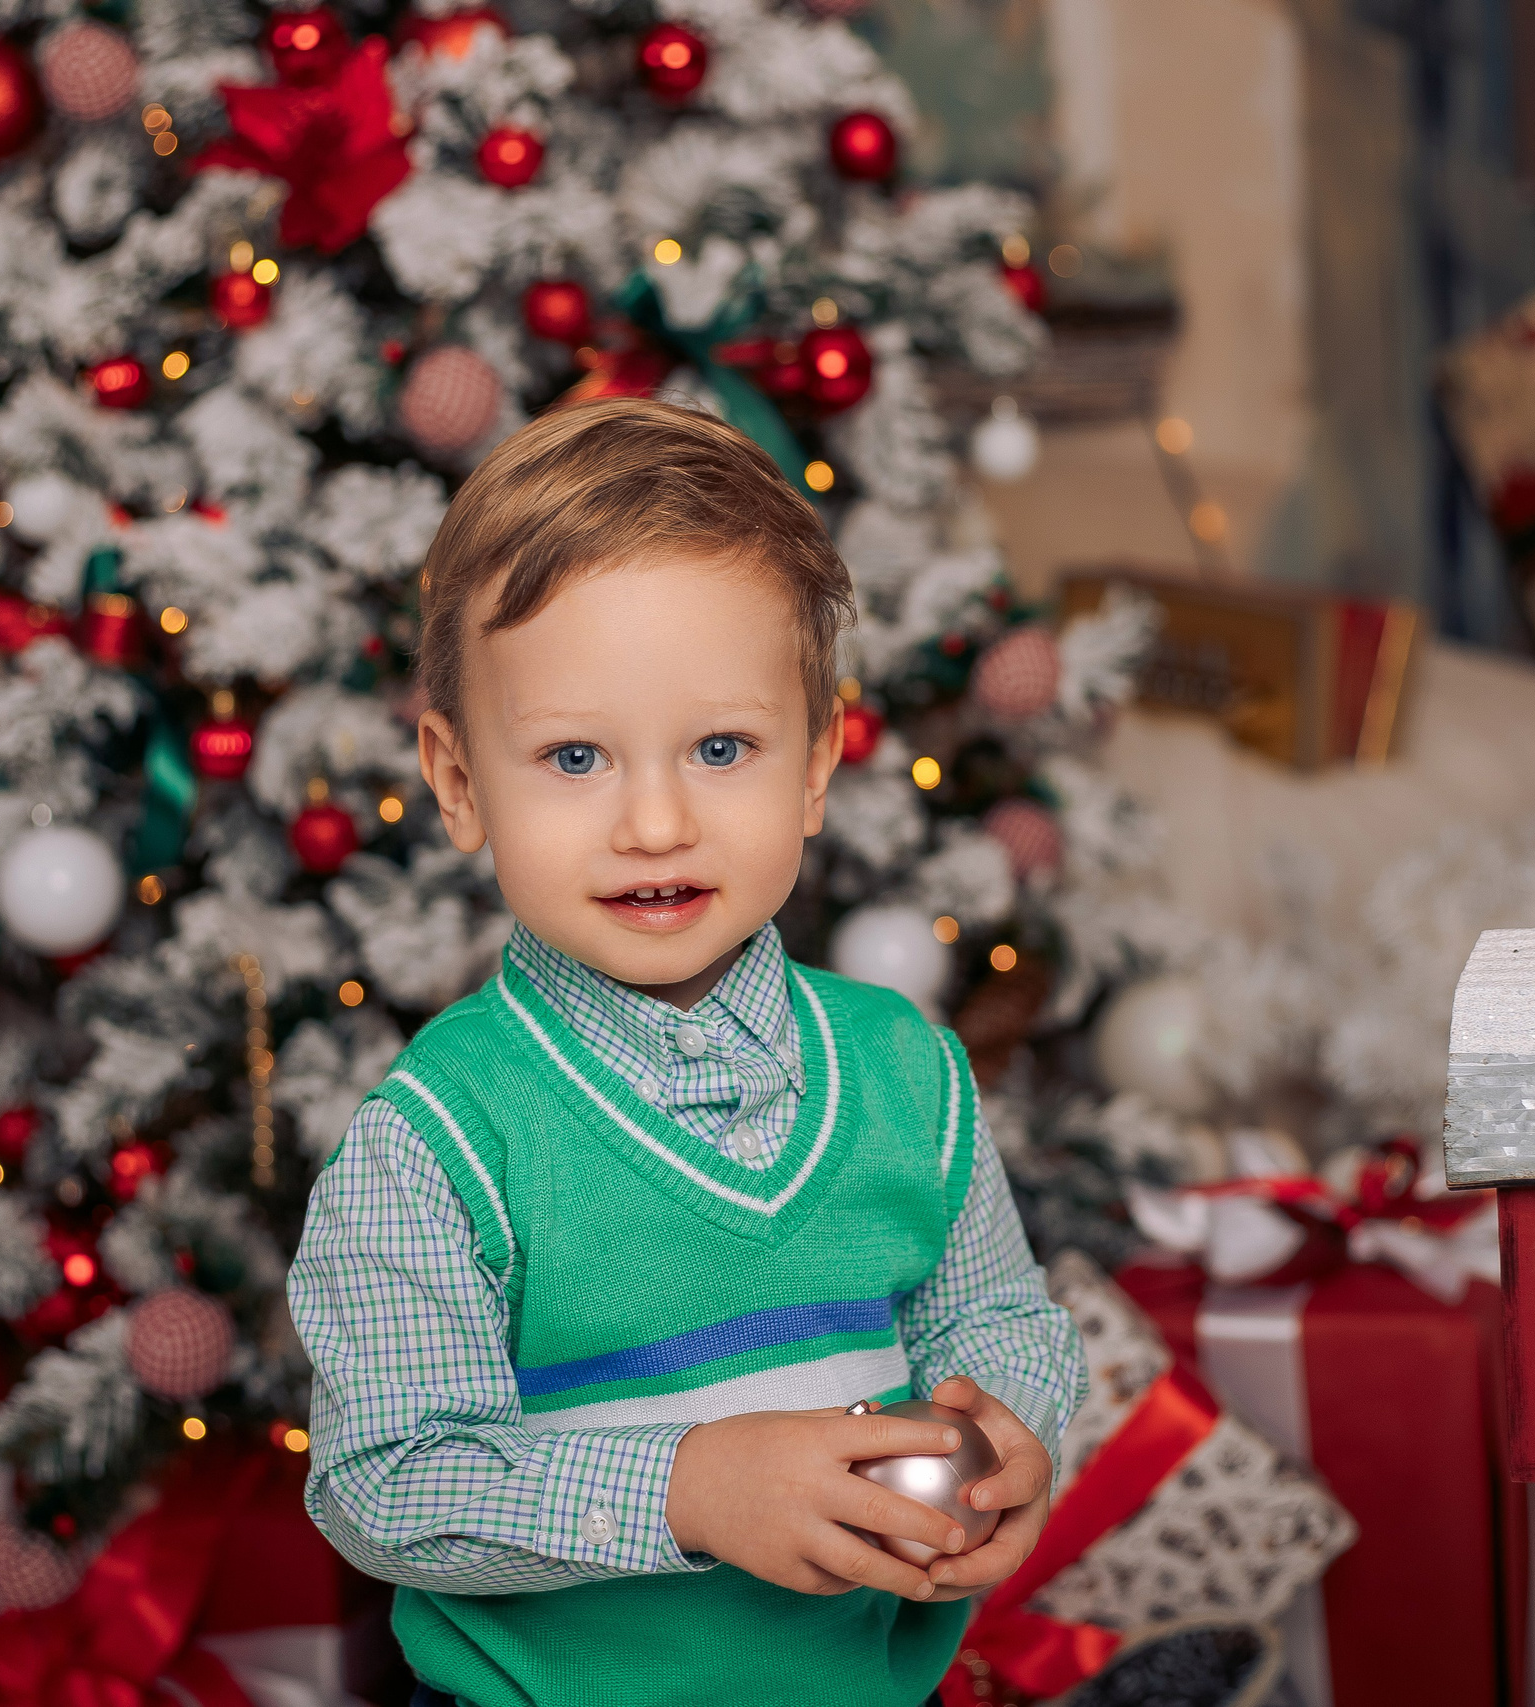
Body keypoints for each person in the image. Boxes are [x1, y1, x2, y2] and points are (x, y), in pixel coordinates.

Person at [288, 396, 1086, 1707]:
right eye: (574, 756)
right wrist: (689, 1491)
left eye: (722, 748)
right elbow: (389, 1479)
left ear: (819, 758)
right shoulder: (441, 1144)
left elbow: (997, 1318)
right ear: (459, 781)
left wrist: (1008, 1433)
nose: (655, 821)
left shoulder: (906, 1073)